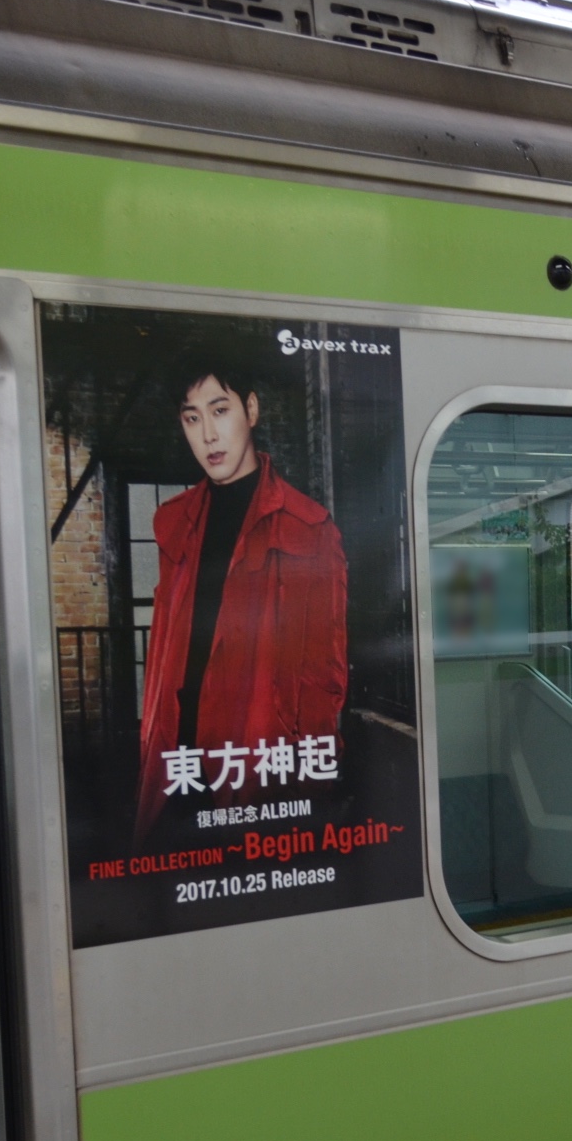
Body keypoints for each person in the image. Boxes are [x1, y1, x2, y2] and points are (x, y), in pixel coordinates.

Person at [135, 347, 349, 840]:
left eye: (220, 410)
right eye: (192, 418)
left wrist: (311, 785)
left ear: (251, 410)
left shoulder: (310, 528)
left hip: (258, 761)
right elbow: (168, 651)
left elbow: (325, 677)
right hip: (178, 755)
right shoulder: (174, 521)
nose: (208, 435)